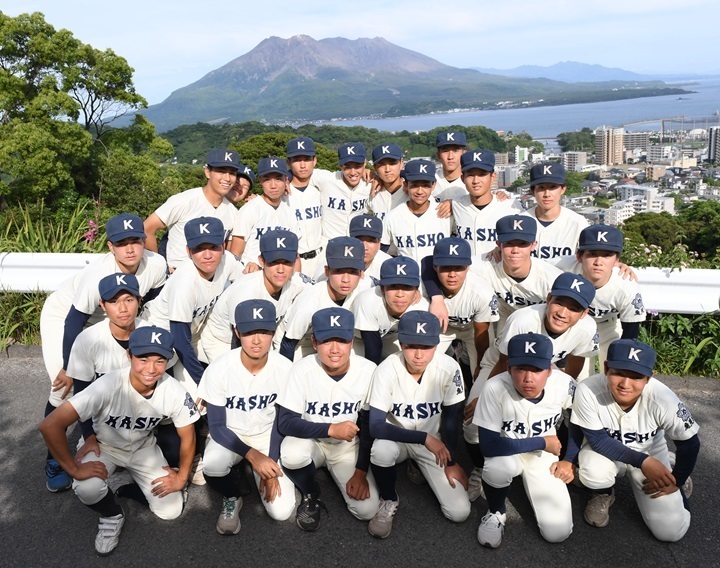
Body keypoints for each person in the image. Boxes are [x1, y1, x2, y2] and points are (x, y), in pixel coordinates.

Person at [39, 326, 199, 555]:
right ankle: (112, 514)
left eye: (159, 361)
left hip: (143, 447)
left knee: (171, 510)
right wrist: (73, 469)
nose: (151, 369)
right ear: (129, 356)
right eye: (143, 359)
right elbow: (50, 425)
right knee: (87, 487)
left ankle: (123, 485)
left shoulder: (173, 390)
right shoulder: (108, 384)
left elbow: (188, 434)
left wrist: (182, 477)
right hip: (105, 446)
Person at [40, 212, 167, 491]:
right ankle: (54, 460)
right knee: (64, 387)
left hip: (117, 312)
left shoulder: (156, 264)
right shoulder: (99, 273)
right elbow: (74, 320)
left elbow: (153, 301)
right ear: (110, 247)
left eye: (136, 240)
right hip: (68, 312)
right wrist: (68, 366)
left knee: (123, 376)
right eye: (122, 243)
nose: (131, 248)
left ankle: (119, 446)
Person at [570, 339, 700, 542]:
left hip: (651, 451)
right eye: (619, 373)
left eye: (636, 377)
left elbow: (690, 442)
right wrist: (643, 462)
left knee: (671, 532)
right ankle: (603, 492)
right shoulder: (587, 389)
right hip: (605, 451)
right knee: (593, 473)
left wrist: (678, 480)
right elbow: (597, 440)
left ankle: (668, 462)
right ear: (605, 367)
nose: (625, 384)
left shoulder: (663, 397)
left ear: (649, 378)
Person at [367, 311, 470, 539]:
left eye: (426, 346)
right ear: (401, 343)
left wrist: (452, 461)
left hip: (432, 442)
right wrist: (423, 439)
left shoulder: (449, 367)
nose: (418, 354)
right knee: (381, 451)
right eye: (412, 345)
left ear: (436, 344)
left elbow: (453, 418)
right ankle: (388, 498)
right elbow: (375, 426)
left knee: (459, 512)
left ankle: (417, 464)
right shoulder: (387, 368)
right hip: (397, 438)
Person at [276, 307, 380, 531]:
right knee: (291, 454)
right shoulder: (302, 369)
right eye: (326, 341)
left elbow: (372, 427)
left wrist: (361, 471)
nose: (334, 349)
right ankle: (311, 492)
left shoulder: (369, 370)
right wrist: (331, 428)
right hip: (311, 441)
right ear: (314, 343)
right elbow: (285, 422)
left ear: (352, 341)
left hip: (347, 448)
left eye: (341, 340)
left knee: (367, 511)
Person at [198, 300, 296, 534]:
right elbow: (218, 426)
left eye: (263, 332)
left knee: (281, 513)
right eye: (249, 332)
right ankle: (233, 495)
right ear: (237, 332)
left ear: (273, 332)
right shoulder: (219, 368)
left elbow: (283, 423)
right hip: (231, 434)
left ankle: (249, 468)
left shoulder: (285, 368)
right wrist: (254, 457)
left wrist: (269, 461)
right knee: (212, 465)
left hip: (268, 435)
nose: (256, 340)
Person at [473, 333, 576, 548]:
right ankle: (496, 511)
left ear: (549, 369)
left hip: (543, 456)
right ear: (509, 367)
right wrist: (542, 442)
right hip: (507, 450)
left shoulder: (565, 384)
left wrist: (569, 459)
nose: (528, 378)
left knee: (557, 532)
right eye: (521, 369)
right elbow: (489, 445)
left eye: (537, 370)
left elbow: (579, 422)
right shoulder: (494, 386)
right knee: (497, 468)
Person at [141, 216, 244, 398]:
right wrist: (203, 381)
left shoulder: (227, 260)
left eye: (213, 247)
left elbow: (248, 283)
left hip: (194, 333)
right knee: (192, 401)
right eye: (199, 248)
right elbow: (180, 341)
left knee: (232, 374)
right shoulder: (185, 283)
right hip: (162, 338)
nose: (207, 255)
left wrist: (253, 269)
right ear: (188, 251)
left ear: (223, 247)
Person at [200, 230, 309, 363]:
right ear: (261, 261)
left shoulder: (295, 281)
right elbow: (239, 342)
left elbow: (320, 292)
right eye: (274, 262)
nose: (281, 269)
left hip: (262, 340)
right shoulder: (246, 293)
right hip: (223, 342)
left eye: (287, 262)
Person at [554, 224, 646, 369]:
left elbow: (631, 332)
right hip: (576, 326)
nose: (598, 262)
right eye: (592, 254)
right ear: (579, 256)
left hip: (608, 327)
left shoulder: (626, 285)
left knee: (612, 375)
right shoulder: (562, 267)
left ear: (617, 260)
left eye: (607, 255)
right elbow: (534, 267)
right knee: (576, 378)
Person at [143, 148, 241, 269]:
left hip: (212, 279)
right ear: (208, 173)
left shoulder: (233, 213)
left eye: (232, 173)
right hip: (177, 274)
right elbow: (147, 228)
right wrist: (160, 266)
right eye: (221, 171)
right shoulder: (185, 200)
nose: (227, 178)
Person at [278, 236, 367, 361]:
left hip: (335, 341)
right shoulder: (309, 301)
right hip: (301, 343)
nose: (346, 279)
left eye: (352, 271)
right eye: (339, 271)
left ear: (362, 273)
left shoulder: (365, 292)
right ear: (327, 271)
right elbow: (288, 343)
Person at [353, 256, 429, 365]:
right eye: (393, 286)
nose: (400, 294)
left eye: (407, 287)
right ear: (382, 288)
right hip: (359, 339)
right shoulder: (368, 300)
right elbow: (373, 351)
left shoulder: (421, 307)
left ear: (416, 290)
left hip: (392, 337)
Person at [233, 157, 303, 270]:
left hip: (282, 276)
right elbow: (235, 255)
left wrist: (298, 281)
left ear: (286, 180)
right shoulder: (249, 210)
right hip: (252, 275)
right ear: (260, 180)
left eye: (278, 179)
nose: (273, 185)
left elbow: (295, 255)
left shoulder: (288, 211)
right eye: (267, 179)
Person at [452, 149, 524, 256]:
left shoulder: (511, 207)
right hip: (466, 271)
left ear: (493, 176)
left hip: (498, 270)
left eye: (482, 174)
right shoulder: (455, 205)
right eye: (470, 175)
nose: (476, 180)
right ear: (462, 178)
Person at [381, 159, 454, 264]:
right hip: (406, 277)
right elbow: (382, 253)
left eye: (425, 185)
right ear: (406, 185)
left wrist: (453, 203)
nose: (420, 191)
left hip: (438, 277)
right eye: (415, 185)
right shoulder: (393, 217)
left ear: (433, 185)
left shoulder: (445, 212)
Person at [526, 162, 589, 260]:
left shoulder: (578, 223)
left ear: (563, 189)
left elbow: (592, 256)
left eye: (553, 187)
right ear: (533, 191)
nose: (547, 194)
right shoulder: (522, 220)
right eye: (541, 188)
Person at [314, 142, 371, 241]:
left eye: (358, 166)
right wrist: (287, 178)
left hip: (356, 244)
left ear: (364, 163)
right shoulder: (328, 179)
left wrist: (375, 176)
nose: (353, 172)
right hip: (329, 244)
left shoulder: (369, 184)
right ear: (341, 166)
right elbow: (303, 174)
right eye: (347, 167)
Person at [285, 137, 325, 277]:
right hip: (294, 260)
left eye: (307, 159)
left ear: (314, 160)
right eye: (297, 160)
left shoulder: (321, 187)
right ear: (288, 162)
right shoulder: (282, 192)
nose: (303, 165)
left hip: (321, 258)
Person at [365, 143, 406, 222]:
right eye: (382, 165)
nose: (387, 169)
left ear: (401, 164)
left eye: (392, 163)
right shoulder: (370, 191)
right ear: (375, 167)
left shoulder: (412, 192)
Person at [433, 131, 468, 200]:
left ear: (464, 154)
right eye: (445, 151)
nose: (450, 157)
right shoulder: (430, 178)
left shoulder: (471, 181)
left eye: (455, 151)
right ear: (438, 155)